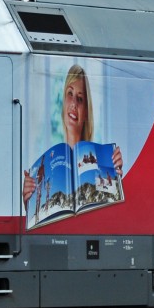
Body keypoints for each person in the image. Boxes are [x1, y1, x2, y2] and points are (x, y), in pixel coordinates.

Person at [23, 64, 122, 206]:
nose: (74, 104)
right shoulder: (45, 156)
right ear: (63, 100)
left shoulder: (101, 157)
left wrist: (117, 180)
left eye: (80, 99)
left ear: (86, 111)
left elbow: (109, 209)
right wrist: (29, 200)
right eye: (70, 94)